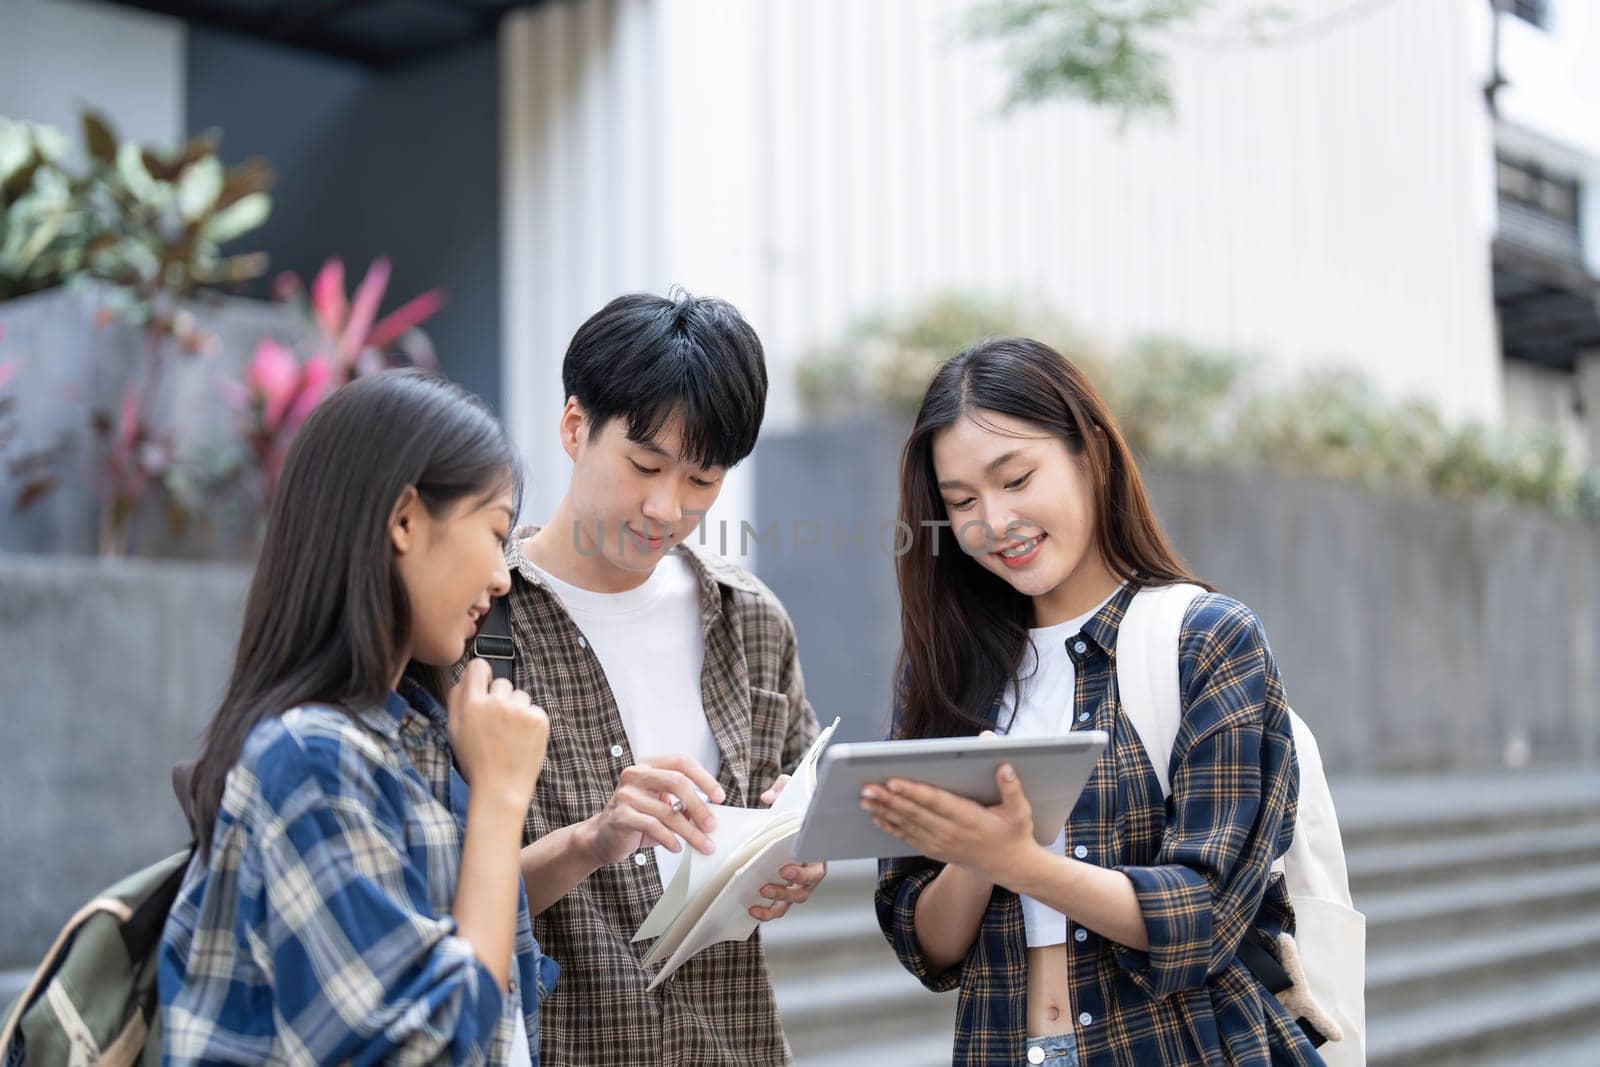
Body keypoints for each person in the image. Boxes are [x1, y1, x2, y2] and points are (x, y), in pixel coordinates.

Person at [867, 338, 1320, 1066]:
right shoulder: (943, 672)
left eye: (1015, 478)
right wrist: (977, 857)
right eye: (961, 502)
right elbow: (923, 942)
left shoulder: (1206, 639)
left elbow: (1206, 914)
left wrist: (1019, 860)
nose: (994, 520)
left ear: (1092, 454)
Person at [160, 370, 557, 1065]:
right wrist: (499, 796)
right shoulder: (311, 754)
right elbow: (423, 1047)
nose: (502, 575)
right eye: (495, 532)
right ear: (404, 520)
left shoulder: (412, 741)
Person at [504, 291, 822, 1065]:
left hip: (734, 1041)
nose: (665, 506)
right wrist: (588, 842)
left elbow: (798, 806)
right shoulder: (479, 623)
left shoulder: (750, 620)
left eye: (701, 481)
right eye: (644, 464)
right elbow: (429, 892)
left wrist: (797, 858)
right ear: (575, 427)